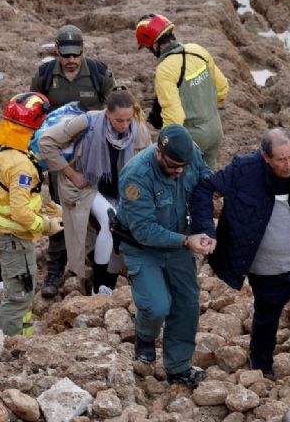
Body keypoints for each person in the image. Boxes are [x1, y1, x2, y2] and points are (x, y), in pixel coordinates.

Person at [191, 128, 290, 400]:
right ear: (265, 158)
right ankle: (260, 365)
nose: (288, 165)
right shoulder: (244, 170)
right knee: (266, 319)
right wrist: (205, 230)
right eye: (281, 159)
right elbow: (205, 188)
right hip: (266, 271)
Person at [115, 124, 212, 386]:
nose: (179, 171)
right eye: (172, 166)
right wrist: (186, 241)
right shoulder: (136, 176)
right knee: (157, 306)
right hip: (142, 247)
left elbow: (204, 181)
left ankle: (178, 366)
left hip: (180, 242)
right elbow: (144, 230)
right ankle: (145, 335)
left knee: (187, 304)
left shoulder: (191, 154)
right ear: (159, 152)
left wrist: (205, 228)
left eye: (183, 166)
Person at [39, 86, 151, 295]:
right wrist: (71, 173)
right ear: (107, 113)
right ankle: (99, 286)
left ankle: (107, 283)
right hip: (86, 186)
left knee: (122, 232)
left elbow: (147, 166)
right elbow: (47, 141)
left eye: (128, 120)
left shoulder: (139, 132)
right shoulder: (88, 122)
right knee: (111, 222)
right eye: (119, 120)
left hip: (121, 191)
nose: (124, 125)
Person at [30, 24, 115, 298]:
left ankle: (96, 264)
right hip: (59, 157)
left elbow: (113, 111)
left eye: (75, 55)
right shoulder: (44, 75)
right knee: (59, 210)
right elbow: (34, 113)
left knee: (96, 208)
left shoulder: (99, 74)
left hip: (94, 156)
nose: (70, 60)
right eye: (65, 55)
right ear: (56, 50)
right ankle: (56, 268)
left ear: (82, 51)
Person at [0, 92, 64, 336]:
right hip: (14, 237)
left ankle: (23, 335)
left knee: (21, 290)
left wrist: (40, 206)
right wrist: (45, 225)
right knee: (19, 294)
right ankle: (8, 346)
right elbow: (19, 211)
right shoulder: (20, 165)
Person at [135, 13, 229, 168]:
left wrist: (164, 146)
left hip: (192, 138)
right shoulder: (197, 50)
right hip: (215, 129)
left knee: (181, 185)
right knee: (208, 181)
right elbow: (223, 88)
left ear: (154, 45)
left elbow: (174, 118)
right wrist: (205, 109)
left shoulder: (165, 69)